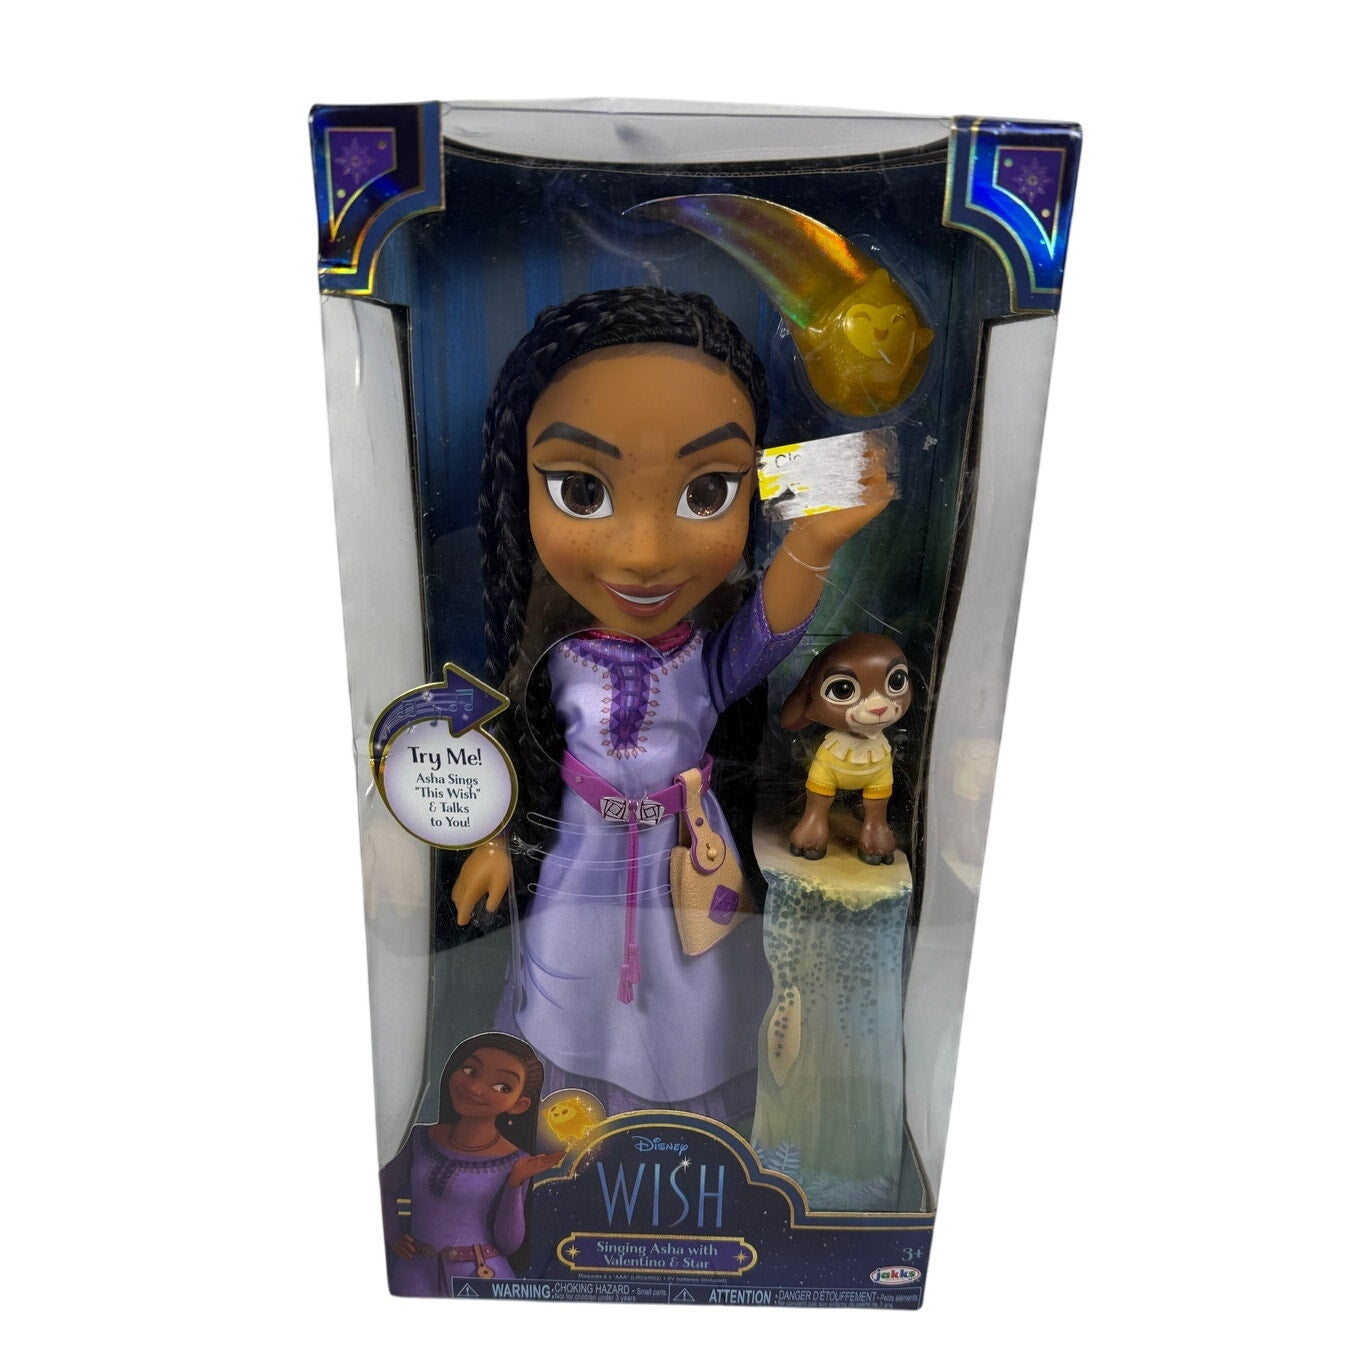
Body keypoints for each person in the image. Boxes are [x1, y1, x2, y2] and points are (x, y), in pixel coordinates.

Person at [452, 287, 890, 1125]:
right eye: (582, 491)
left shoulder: (703, 655)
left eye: (707, 491)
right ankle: (565, 1135)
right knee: (568, 987)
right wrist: (493, 839)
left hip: (686, 857)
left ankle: (692, 1133)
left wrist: (812, 537)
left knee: (696, 999)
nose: (646, 554)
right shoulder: (551, 657)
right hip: (578, 855)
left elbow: (765, 631)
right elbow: (509, 744)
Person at [380, 1033, 560, 1294]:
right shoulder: (418, 1138)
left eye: (502, 1087)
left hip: (481, 1275)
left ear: (520, 1105)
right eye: (469, 1071)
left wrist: (514, 1184)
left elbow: (508, 1244)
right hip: (413, 1271)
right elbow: (383, 1188)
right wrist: (393, 1236)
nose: (474, 1088)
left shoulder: (516, 1161)